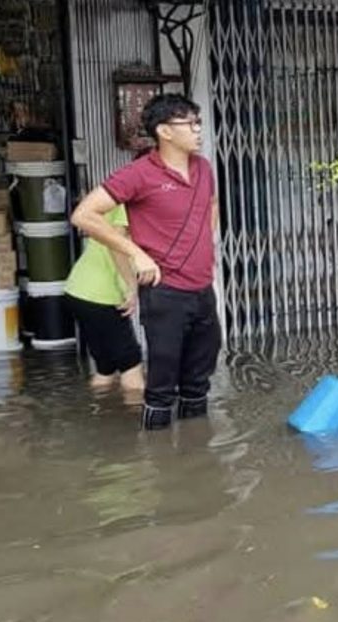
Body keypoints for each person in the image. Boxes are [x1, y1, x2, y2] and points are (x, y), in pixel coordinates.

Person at [71, 94, 221, 431]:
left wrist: (202, 246)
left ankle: (197, 459)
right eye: (191, 123)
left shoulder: (204, 168)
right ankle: (158, 462)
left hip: (202, 289)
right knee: (162, 384)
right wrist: (137, 254)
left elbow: (212, 205)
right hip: (165, 293)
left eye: (199, 122)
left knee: (199, 379)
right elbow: (84, 215)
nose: (199, 130)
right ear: (165, 131)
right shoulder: (138, 174)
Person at [64, 203, 144, 392]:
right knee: (130, 363)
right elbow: (115, 246)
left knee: (105, 367)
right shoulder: (128, 206)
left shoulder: (115, 203)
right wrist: (132, 286)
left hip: (79, 290)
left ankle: (98, 412)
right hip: (100, 294)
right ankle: (138, 419)